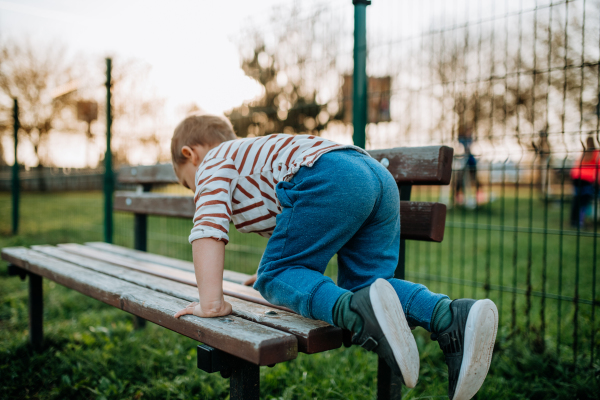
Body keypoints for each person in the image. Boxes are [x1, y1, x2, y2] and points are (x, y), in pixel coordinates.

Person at [171, 114, 498, 400]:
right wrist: (286, 276)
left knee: (275, 276)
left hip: (326, 175)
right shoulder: (250, 157)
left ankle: (361, 318)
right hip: (374, 178)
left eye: (189, 183)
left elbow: (208, 228)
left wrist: (211, 302)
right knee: (369, 287)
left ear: (192, 154)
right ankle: (450, 316)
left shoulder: (213, 162)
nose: (196, 190)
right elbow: (298, 233)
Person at [570, 136, 600, 229]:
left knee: (576, 199)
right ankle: (580, 222)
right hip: (588, 179)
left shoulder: (583, 153)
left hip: (576, 178)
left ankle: (573, 221)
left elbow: (575, 166)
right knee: (584, 201)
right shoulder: (597, 154)